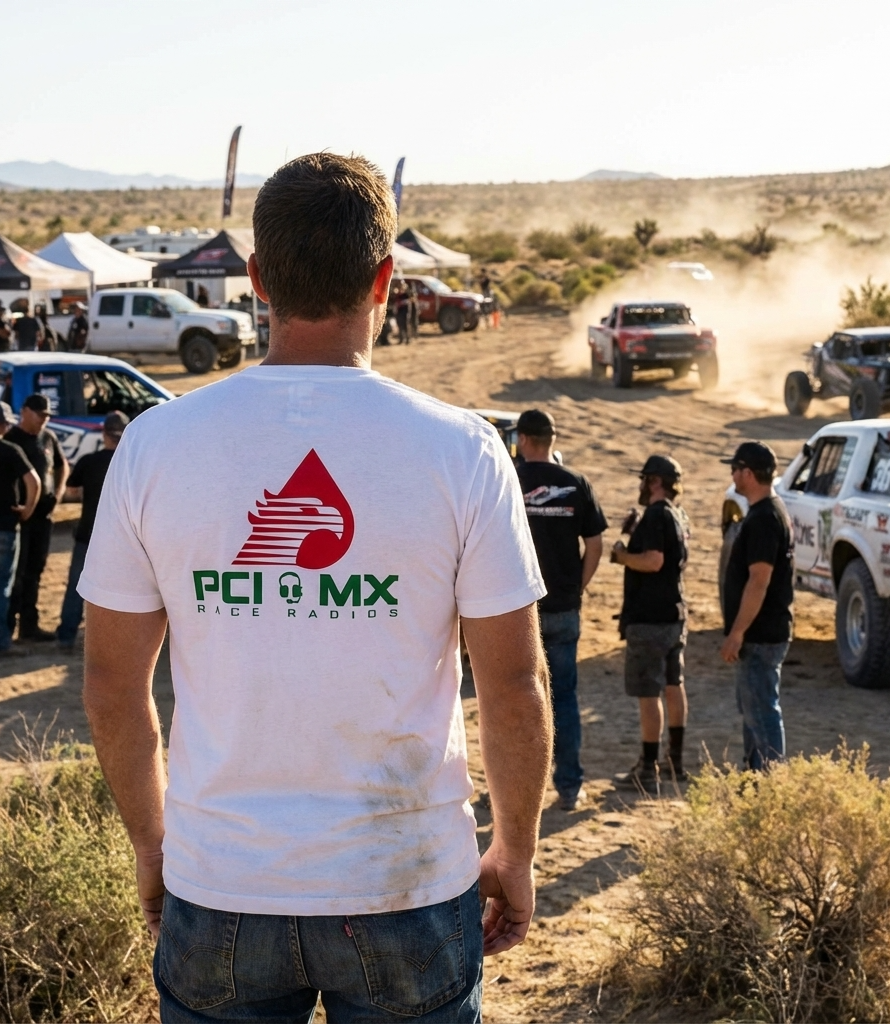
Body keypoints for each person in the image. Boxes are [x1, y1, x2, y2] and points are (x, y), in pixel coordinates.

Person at [80, 152, 552, 1023]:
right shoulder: (464, 451)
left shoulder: (155, 446)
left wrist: (155, 844)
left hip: (219, 882)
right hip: (404, 881)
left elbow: (113, 684)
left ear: (256, 279)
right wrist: (516, 846)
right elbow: (514, 683)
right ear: (386, 280)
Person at [515, 409, 606, 811]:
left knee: (516, 697)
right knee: (564, 698)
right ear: (551, 440)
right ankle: (569, 788)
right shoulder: (575, 484)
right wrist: (577, 588)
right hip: (564, 606)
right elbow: (597, 544)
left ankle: (516, 792)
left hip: (517, 609)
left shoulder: (510, 480)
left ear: (523, 439)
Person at [609, 455, 691, 796]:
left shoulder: (657, 516)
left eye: (644, 479)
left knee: (648, 693)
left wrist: (622, 555)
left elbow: (654, 561)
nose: (641, 485)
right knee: (674, 685)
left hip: (651, 620)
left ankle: (648, 768)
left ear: (655, 481)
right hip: (673, 615)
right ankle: (675, 762)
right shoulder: (676, 515)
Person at [719, 441, 795, 771]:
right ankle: (754, 780)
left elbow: (759, 580)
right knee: (754, 711)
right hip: (764, 631)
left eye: (735, 469)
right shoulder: (768, 512)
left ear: (748, 473)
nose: (733, 475)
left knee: (761, 712)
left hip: (760, 634)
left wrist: (737, 632)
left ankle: (768, 785)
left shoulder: (764, 519)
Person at [57, 411, 129, 653]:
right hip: (123, 541)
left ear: (104, 433)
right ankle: (115, 643)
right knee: (123, 592)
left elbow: (72, 490)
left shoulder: (88, 461)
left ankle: (66, 637)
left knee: (76, 588)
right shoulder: (131, 462)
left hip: (88, 534)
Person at [6, 394, 66, 642]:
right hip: (20, 518)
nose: (43, 420)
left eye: (46, 416)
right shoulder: (11, 440)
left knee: (36, 571)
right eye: (39, 414)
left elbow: (62, 465)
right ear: (25, 411)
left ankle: (30, 626)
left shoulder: (48, 437)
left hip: (43, 517)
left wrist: (59, 493)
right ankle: (8, 627)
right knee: (16, 574)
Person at [0, 401, 40, 658]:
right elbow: (33, 481)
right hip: (4, 527)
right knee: (0, 586)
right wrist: (27, 509)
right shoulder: (10, 450)